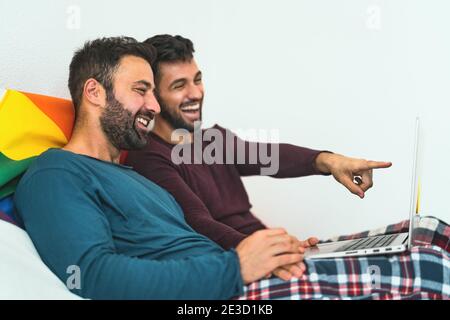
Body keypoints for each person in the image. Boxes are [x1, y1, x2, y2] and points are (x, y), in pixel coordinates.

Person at [14, 37, 315, 299]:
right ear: (94, 92)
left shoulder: (136, 177)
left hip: (244, 283)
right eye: (141, 90)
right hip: (232, 289)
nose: (155, 106)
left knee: (355, 253)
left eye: (154, 93)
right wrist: (235, 268)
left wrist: (277, 254)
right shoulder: (56, 174)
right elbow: (91, 274)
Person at [124, 35, 392, 281]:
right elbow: (197, 222)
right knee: (378, 277)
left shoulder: (213, 140)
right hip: (240, 268)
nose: (195, 93)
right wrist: (275, 253)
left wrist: (331, 161)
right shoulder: (148, 158)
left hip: (273, 256)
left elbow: (271, 157)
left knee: (402, 247)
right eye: (179, 86)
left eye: (197, 79)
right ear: (153, 97)